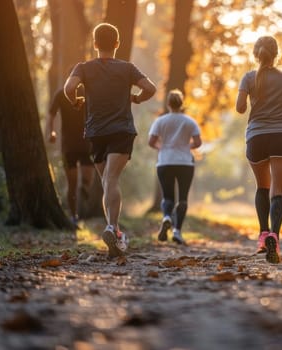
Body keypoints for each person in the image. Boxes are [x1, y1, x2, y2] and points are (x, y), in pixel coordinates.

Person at [64, 23, 156, 258]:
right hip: (121, 130)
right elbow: (151, 88)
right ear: (117, 44)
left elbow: (69, 88)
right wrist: (136, 98)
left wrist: (75, 101)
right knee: (111, 179)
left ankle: (113, 230)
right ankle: (112, 229)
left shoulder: (83, 67)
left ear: (95, 44)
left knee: (107, 180)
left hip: (95, 132)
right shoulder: (127, 68)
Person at [235, 35, 282, 264]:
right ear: (276, 54)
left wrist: (251, 101)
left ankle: (264, 235)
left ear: (255, 54)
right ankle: (275, 233)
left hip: (256, 136)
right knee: (278, 191)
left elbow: (239, 107)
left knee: (262, 187)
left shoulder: (248, 77)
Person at [148, 89, 202, 245]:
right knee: (183, 198)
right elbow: (198, 142)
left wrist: (163, 147)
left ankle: (166, 217)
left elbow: (151, 141)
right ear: (182, 104)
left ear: (168, 103)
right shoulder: (189, 121)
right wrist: (186, 146)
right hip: (185, 162)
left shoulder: (160, 121)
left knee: (167, 196)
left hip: (165, 161)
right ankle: (177, 232)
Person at [46, 86, 95, 226]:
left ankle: (84, 191)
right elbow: (51, 114)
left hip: (87, 144)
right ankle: (74, 216)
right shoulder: (61, 93)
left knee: (86, 180)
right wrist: (51, 132)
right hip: (68, 146)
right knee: (72, 184)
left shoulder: (88, 91)